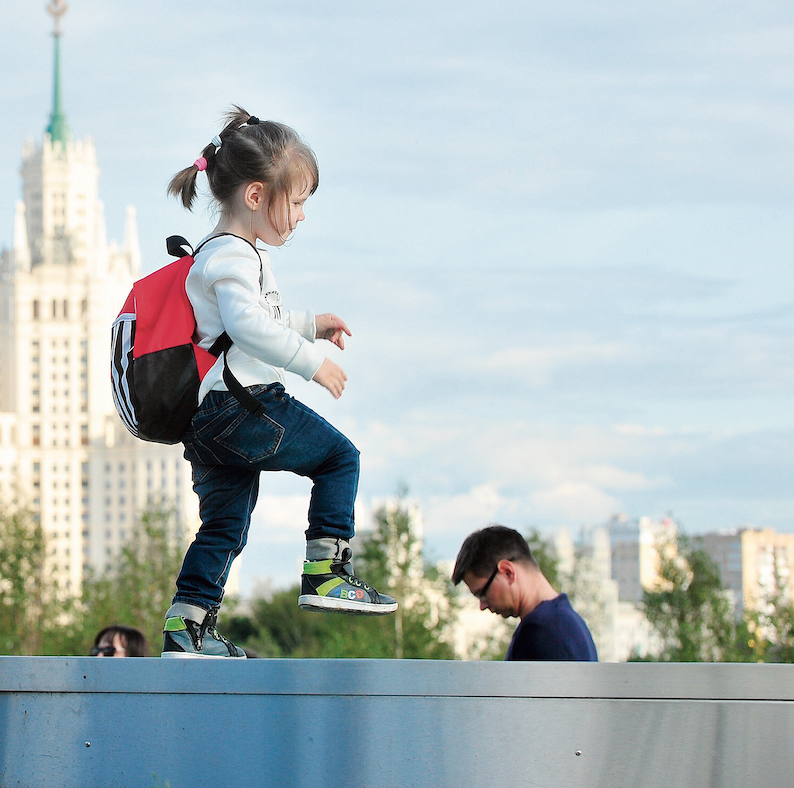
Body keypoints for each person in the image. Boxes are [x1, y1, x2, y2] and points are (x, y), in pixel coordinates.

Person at [160, 108, 395, 660]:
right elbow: (248, 328)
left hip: (208, 419)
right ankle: (327, 574)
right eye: (298, 201)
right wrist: (310, 362)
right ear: (257, 196)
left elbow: (250, 324)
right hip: (243, 407)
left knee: (224, 526)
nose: (302, 215)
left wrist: (311, 323)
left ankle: (186, 627)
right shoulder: (232, 256)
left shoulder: (221, 257)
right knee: (340, 459)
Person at [451, 525, 597, 661]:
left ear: (507, 572)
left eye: (482, 593)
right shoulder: (564, 621)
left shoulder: (541, 632)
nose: (482, 605)